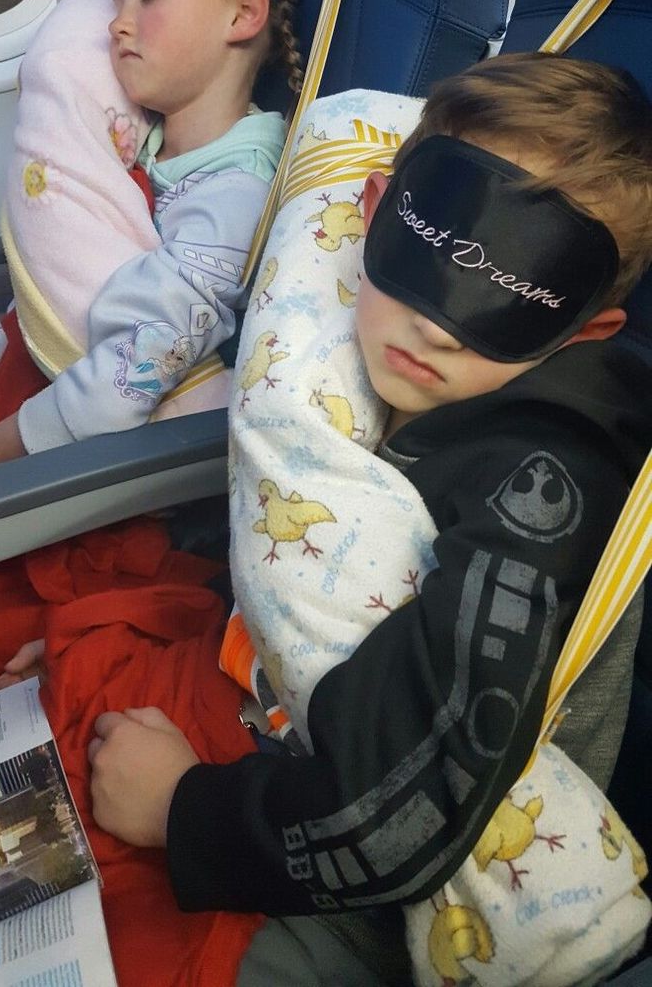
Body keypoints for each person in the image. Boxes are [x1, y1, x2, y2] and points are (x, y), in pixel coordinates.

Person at [79, 53, 652, 983]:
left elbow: (413, 801)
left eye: (510, 298)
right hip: (272, 720)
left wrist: (184, 809)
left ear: (578, 333)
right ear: (378, 210)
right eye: (434, 251)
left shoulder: (546, 474)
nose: (437, 327)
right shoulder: (371, 361)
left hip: (400, 880)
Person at [0, 0, 301, 485]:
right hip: (38, 389)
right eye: (115, 1)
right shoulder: (136, 140)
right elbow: (65, 266)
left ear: (244, 14)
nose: (117, 26)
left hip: (116, 459)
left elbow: (126, 382)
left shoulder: (237, 194)